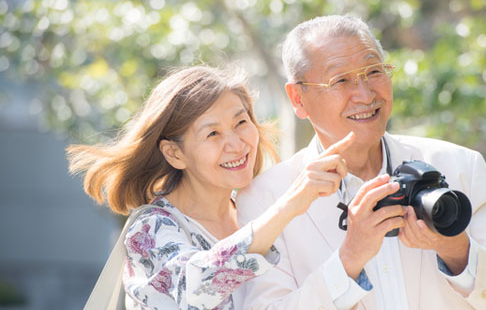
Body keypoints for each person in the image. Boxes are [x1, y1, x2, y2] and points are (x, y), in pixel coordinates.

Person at [235, 15, 486, 309]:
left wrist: (457, 251)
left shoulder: (459, 165)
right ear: (298, 99)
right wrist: (349, 260)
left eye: (374, 72)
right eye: (341, 80)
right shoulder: (265, 199)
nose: (365, 95)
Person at [66, 64, 355, 309]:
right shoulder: (152, 230)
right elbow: (198, 284)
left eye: (241, 122)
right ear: (174, 153)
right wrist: (290, 203)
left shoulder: (255, 209)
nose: (236, 144)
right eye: (213, 133)